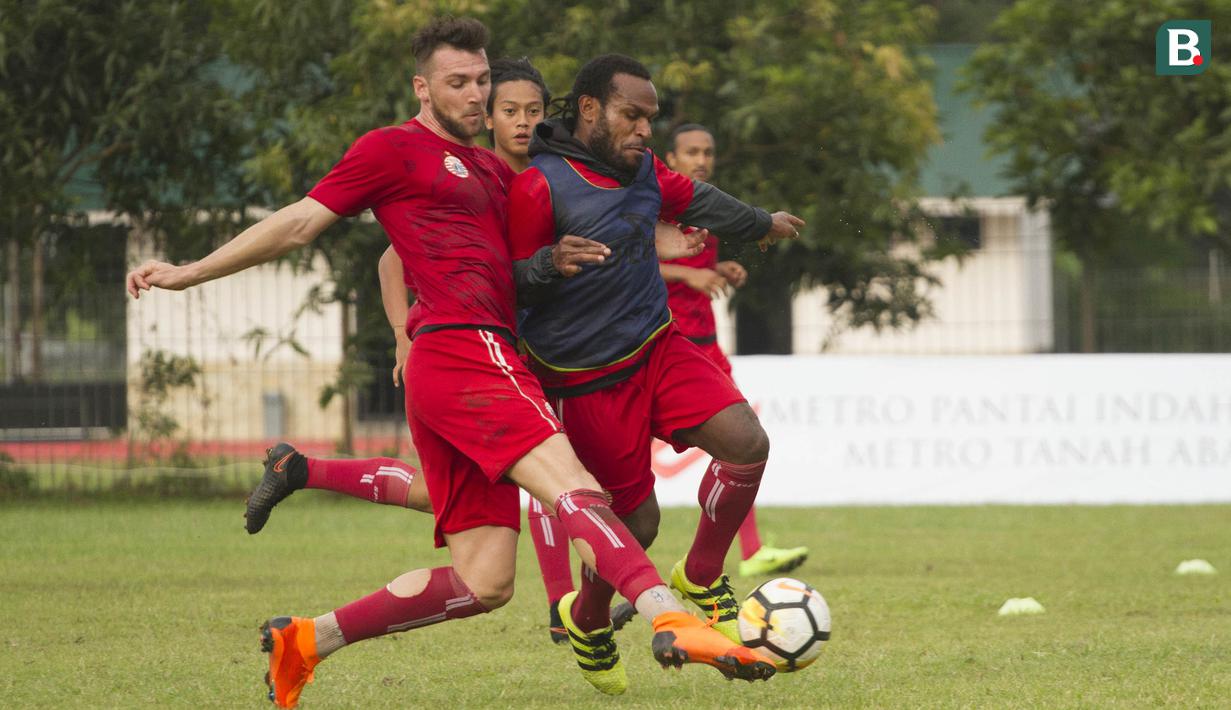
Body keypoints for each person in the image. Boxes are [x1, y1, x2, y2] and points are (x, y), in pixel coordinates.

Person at [125, 20, 774, 709]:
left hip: (463, 356)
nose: (474, 94)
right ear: (422, 87)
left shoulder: (497, 172)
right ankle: (672, 620)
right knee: (576, 490)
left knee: (484, 581)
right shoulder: (390, 150)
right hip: (467, 347)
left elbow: (517, 255)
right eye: (457, 82)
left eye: (481, 81)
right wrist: (189, 271)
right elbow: (298, 223)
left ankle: (308, 640)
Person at [506, 54, 805, 696]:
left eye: (649, 118)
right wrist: (545, 266)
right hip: (587, 383)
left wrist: (761, 223)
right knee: (636, 526)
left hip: (659, 347)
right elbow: (505, 282)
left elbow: (696, 198)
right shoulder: (540, 186)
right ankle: (587, 621)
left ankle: (701, 575)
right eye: (631, 115)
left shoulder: (644, 171)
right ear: (589, 108)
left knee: (748, 443)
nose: (644, 129)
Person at [658, 124, 810, 579]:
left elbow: (695, 262)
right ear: (671, 158)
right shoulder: (658, 204)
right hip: (664, 348)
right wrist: (688, 276)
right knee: (618, 462)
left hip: (707, 346)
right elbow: (626, 261)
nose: (701, 159)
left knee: (742, 445)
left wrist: (719, 268)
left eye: (708, 151)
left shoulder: (705, 204)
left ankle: (750, 549)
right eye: (691, 152)